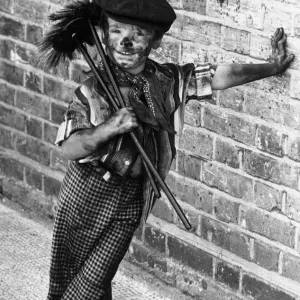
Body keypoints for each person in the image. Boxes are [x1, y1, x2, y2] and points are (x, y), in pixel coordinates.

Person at [41, 0, 294, 299]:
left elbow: (217, 76)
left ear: (156, 39)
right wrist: (109, 127)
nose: (126, 41)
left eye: (138, 33)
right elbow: (70, 148)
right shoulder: (92, 91)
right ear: (104, 34)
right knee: (69, 275)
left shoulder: (166, 81)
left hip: (132, 198)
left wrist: (271, 67)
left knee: (94, 280)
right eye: (117, 30)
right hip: (85, 193)